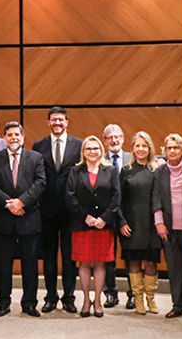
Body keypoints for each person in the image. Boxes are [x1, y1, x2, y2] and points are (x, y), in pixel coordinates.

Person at [0, 121, 47, 317]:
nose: (13, 138)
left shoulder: (35, 158)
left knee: (30, 265)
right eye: (10, 134)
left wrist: (21, 202)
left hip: (29, 218)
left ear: (23, 137)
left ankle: (29, 303)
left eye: (17, 135)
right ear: (4, 138)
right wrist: (9, 203)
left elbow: (40, 183)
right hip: (4, 220)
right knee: (3, 265)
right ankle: (4, 303)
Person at [33, 106, 83, 314]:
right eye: (53, 120)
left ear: (67, 122)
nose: (57, 123)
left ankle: (69, 297)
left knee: (70, 257)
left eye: (61, 120)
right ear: (48, 122)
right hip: (47, 211)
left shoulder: (79, 145)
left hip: (72, 211)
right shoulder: (38, 145)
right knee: (50, 256)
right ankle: (51, 296)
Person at [65, 135, 120, 317]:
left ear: (101, 150)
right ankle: (86, 300)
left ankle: (98, 300)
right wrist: (86, 217)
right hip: (82, 224)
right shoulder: (75, 171)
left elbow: (116, 197)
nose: (92, 152)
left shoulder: (110, 170)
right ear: (83, 152)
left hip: (103, 225)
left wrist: (104, 218)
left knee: (100, 264)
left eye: (95, 148)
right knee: (84, 263)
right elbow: (70, 197)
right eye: (88, 149)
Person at [117, 131, 162, 315]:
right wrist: (121, 221)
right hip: (131, 224)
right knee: (133, 261)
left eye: (144, 145)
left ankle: (151, 298)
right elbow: (118, 199)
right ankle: (138, 300)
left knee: (151, 262)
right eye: (137, 146)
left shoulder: (157, 169)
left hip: (152, 224)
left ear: (149, 148)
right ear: (133, 149)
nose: (141, 149)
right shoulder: (126, 170)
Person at [154, 134, 182, 318]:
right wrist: (159, 222)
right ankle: (177, 304)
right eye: (169, 148)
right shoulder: (160, 172)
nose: (172, 151)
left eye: (176, 148)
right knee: (174, 267)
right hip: (169, 227)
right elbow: (155, 197)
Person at [102, 124, 134, 309]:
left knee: (130, 256)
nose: (114, 140)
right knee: (108, 258)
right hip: (107, 217)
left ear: (122, 138)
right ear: (105, 140)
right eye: (110, 137)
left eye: (117, 137)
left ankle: (133, 294)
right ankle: (110, 293)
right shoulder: (100, 159)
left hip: (128, 218)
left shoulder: (132, 158)